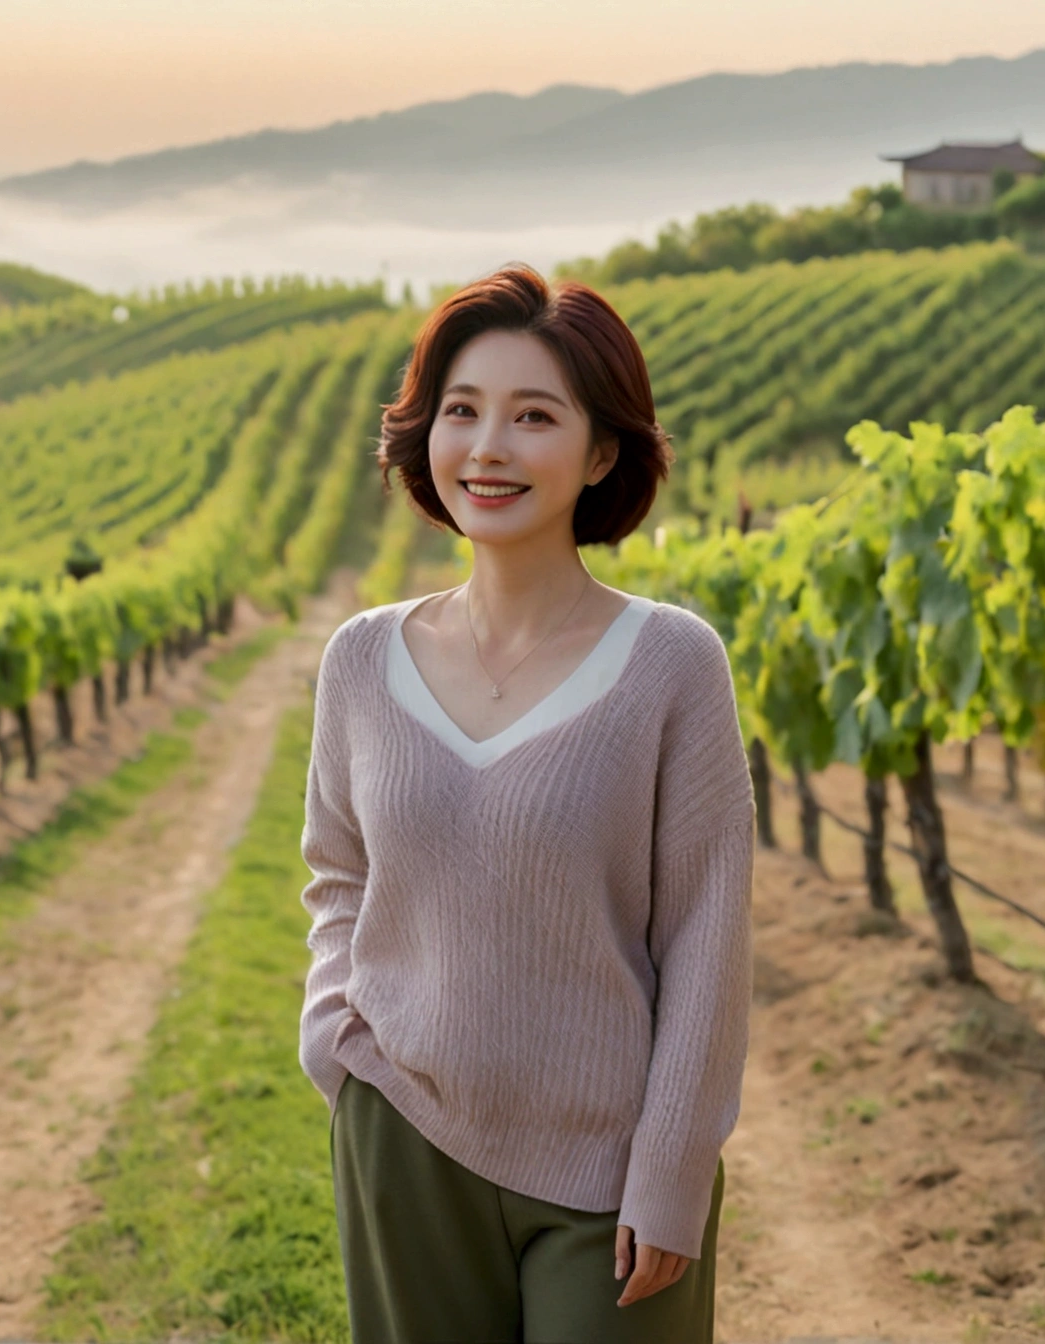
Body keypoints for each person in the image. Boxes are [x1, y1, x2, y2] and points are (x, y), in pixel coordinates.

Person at [296, 263, 755, 1343]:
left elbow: (705, 933)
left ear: (601, 452)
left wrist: (671, 1166)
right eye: (461, 411)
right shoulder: (360, 660)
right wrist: (333, 1035)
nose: (487, 448)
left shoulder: (670, 663)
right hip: (401, 1133)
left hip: (606, 1172)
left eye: (532, 416)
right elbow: (337, 874)